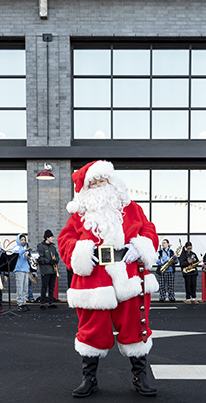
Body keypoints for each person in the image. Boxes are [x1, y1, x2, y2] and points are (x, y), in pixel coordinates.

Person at [58, 160, 159, 397]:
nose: (98, 185)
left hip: (129, 275)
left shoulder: (131, 208)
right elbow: (65, 240)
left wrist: (140, 245)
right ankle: (89, 378)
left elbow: (149, 230)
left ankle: (140, 376)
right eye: (92, 182)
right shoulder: (79, 216)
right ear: (86, 189)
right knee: (92, 329)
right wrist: (82, 252)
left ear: (111, 181)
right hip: (95, 280)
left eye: (102, 180)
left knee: (135, 326)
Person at [37, 229, 60, 309]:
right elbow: (40, 258)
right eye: (51, 237)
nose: (53, 239)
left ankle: (51, 302)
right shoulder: (41, 246)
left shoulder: (52, 247)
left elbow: (57, 256)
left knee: (51, 286)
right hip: (45, 270)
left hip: (53, 270)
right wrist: (49, 261)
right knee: (44, 286)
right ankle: (42, 303)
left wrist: (55, 260)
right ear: (47, 238)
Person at [13, 233, 33, 311]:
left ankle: (24, 302)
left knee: (25, 287)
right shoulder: (16, 248)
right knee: (20, 287)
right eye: (21, 240)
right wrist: (25, 249)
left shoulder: (25, 249)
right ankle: (19, 304)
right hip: (19, 270)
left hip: (25, 269)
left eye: (24, 240)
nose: (23, 241)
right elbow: (17, 253)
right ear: (18, 240)